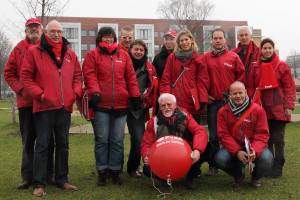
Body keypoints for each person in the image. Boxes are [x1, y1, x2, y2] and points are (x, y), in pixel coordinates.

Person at [20, 20, 82, 197]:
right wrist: (40, 95)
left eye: (59, 32)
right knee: (42, 145)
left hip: (64, 107)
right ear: (46, 32)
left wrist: (74, 93)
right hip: (44, 107)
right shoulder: (34, 52)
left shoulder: (70, 54)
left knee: (63, 145)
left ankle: (62, 180)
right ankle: (39, 184)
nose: (56, 35)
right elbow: (25, 77)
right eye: (53, 31)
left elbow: (78, 76)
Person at [82, 27, 141, 187]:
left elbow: (130, 77)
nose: (108, 40)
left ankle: (115, 170)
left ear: (115, 39)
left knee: (117, 140)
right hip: (101, 104)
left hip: (121, 104)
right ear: (100, 39)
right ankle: (102, 171)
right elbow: (89, 75)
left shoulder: (123, 56)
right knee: (102, 139)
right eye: (105, 37)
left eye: (111, 37)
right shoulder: (92, 55)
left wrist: (135, 95)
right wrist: (94, 92)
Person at [4, 18, 54, 190]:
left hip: (46, 102)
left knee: (47, 140)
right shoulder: (18, 49)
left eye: (36, 27)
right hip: (26, 103)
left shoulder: (49, 47)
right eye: (30, 27)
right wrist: (22, 90)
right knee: (28, 141)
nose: (34, 30)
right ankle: (28, 177)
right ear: (26, 30)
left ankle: (49, 174)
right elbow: (9, 73)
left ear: (42, 30)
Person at [201, 28, 245, 176]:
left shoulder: (233, 57)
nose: (218, 41)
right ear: (212, 40)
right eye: (215, 38)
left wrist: (237, 95)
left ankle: (237, 163)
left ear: (225, 40)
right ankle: (214, 166)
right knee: (213, 135)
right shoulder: (205, 58)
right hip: (214, 103)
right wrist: (205, 94)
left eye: (220, 38)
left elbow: (241, 78)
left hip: (232, 103)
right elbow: (201, 79)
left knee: (235, 133)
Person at [140, 93, 208, 189]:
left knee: (201, 151)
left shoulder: (185, 116)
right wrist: (146, 155)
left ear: (175, 105)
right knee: (147, 169)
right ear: (159, 107)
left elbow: (199, 131)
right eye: (163, 105)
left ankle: (191, 177)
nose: (166, 107)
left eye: (169, 104)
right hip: (163, 155)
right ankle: (166, 178)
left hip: (184, 154)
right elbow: (147, 142)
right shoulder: (153, 122)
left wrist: (197, 150)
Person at [250, 38, 296, 178]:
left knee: (278, 139)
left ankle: (278, 166)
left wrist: (289, 106)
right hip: (262, 110)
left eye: (270, 48)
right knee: (266, 139)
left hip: (279, 109)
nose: (267, 50)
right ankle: (268, 165)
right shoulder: (256, 67)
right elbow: (252, 87)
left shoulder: (282, 66)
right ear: (261, 50)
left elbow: (289, 87)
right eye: (265, 48)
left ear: (273, 49)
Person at [215, 81, 273, 188]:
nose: (238, 96)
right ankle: (238, 175)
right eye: (235, 93)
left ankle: (256, 177)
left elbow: (262, 133)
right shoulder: (222, 111)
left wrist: (254, 150)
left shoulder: (258, 110)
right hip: (234, 145)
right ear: (230, 95)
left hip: (254, 145)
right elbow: (223, 134)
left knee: (267, 158)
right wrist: (237, 151)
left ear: (246, 92)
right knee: (220, 159)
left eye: (240, 93)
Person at [160, 29, 209, 122]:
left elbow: (202, 81)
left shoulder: (199, 59)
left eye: (186, 39)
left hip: (192, 102)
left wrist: (202, 99)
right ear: (178, 43)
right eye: (181, 40)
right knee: (177, 133)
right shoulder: (172, 58)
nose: (184, 42)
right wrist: (166, 98)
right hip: (175, 102)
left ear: (191, 40)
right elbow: (166, 80)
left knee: (193, 132)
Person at [126, 39, 159, 178]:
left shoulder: (149, 68)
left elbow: (153, 88)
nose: (138, 52)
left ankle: (133, 167)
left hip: (137, 108)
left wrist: (145, 103)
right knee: (113, 139)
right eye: (136, 49)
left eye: (141, 50)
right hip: (120, 105)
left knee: (138, 138)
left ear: (145, 52)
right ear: (131, 50)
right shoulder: (123, 64)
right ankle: (111, 169)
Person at [231, 26, 260, 98]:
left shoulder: (260, 53)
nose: (244, 37)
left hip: (255, 95)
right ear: (238, 38)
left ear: (251, 36)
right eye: (241, 35)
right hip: (238, 95)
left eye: (246, 35)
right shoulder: (232, 54)